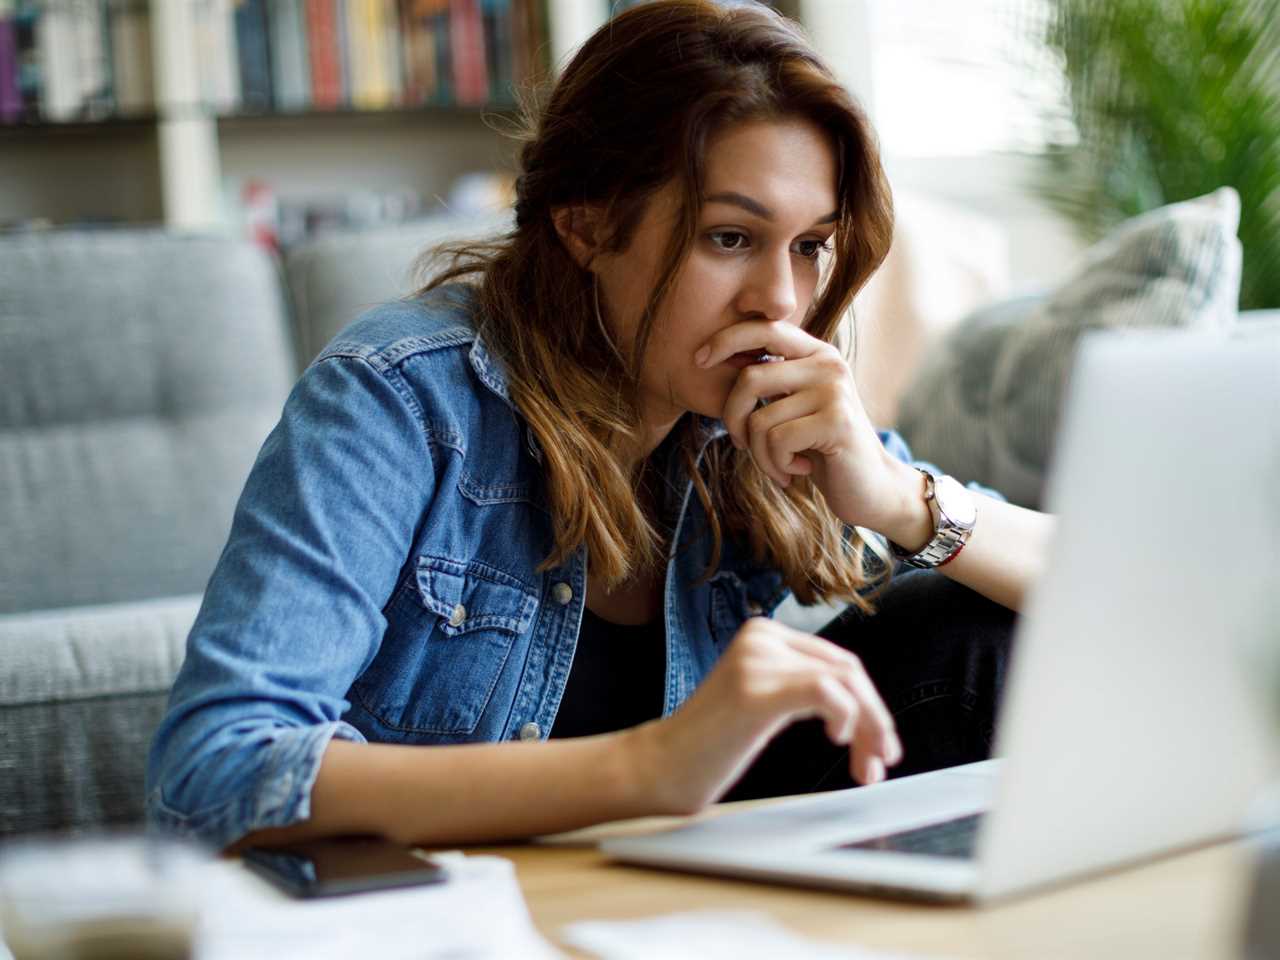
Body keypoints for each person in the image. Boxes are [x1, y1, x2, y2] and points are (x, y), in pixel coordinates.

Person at [146, 0, 1055, 853]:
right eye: (729, 238)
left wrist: (901, 500)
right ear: (586, 222)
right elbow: (214, 771)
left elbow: (1096, 590)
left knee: (969, 629)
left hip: (666, 892)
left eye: (810, 246)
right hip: (456, 912)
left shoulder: (746, 420)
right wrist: (655, 767)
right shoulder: (400, 397)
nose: (781, 298)